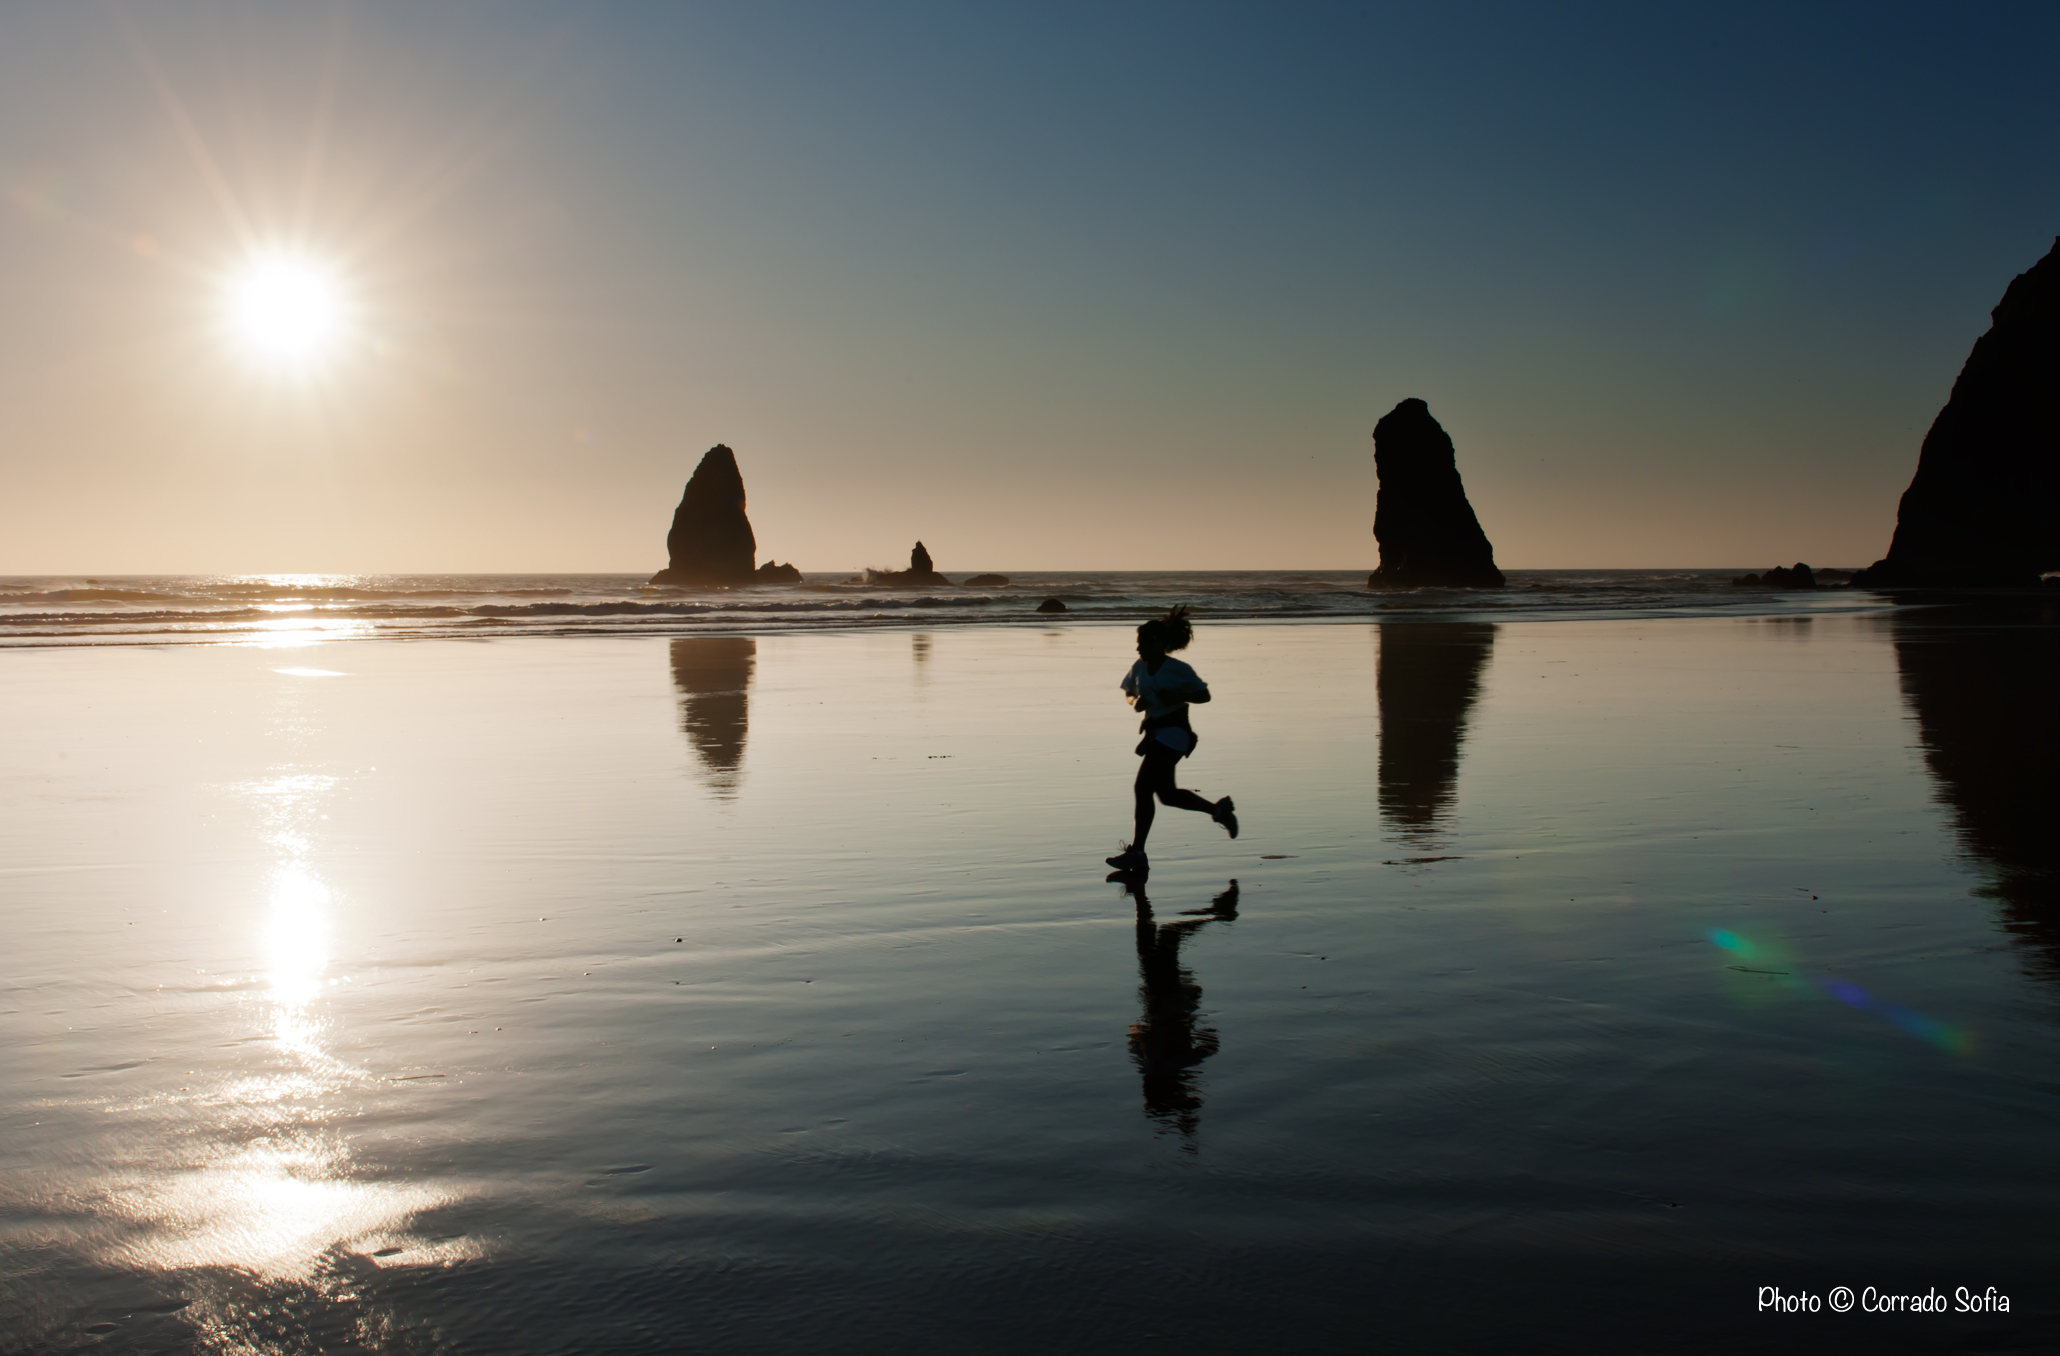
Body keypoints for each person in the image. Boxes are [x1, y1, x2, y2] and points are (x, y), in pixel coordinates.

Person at [1106, 606, 1237, 870]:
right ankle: (1218, 811)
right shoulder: (1139, 667)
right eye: (1138, 643)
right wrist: (1136, 702)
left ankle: (1137, 852)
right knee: (1166, 795)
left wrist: (1177, 696)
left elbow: (1204, 695)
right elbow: (1129, 692)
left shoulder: (1177, 669)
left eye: (1142, 643)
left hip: (1176, 733)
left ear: (1158, 643)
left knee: (1142, 787)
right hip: (1156, 733)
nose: (1138, 648)